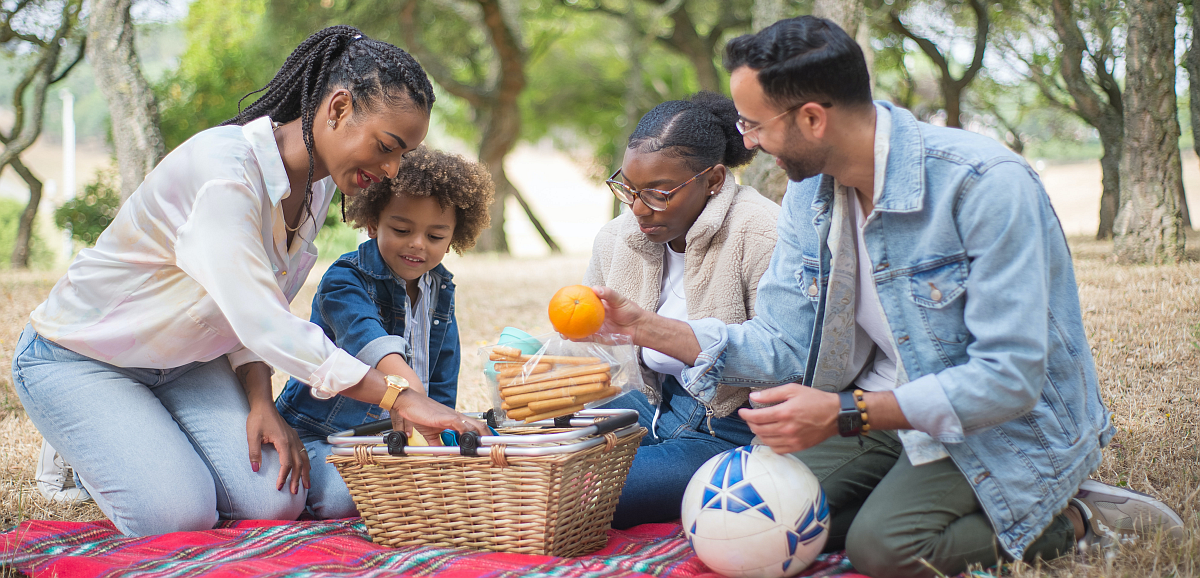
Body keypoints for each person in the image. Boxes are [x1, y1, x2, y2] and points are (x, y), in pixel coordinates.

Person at [589, 16, 1184, 578]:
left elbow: (1010, 377)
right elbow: (783, 345)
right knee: (742, 522)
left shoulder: (985, 185)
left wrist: (847, 413)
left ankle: (1076, 517)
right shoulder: (810, 196)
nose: (746, 140)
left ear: (813, 119)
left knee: (885, 547)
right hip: (875, 414)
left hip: (992, 423)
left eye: (754, 124)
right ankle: (912, 490)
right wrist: (643, 326)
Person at [10, 26, 488, 537]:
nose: (393, 170)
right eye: (387, 147)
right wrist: (397, 396)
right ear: (339, 107)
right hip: (84, 355)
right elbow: (265, 322)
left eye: (402, 155)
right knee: (178, 517)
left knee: (275, 501)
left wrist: (260, 400)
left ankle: (145, 443)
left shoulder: (318, 185)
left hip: (185, 363)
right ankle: (88, 447)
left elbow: (254, 305)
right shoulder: (225, 175)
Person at [585, 91, 779, 528]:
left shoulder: (760, 232)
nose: (637, 209)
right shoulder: (618, 239)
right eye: (629, 190)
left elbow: (786, 358)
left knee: (586, 489)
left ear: (712, 180)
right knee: (524, 449)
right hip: (653, 405)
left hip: (733, 430)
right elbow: (598, 350)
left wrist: (647, 329)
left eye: (658, 193)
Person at [275, 146, 494, 519]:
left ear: (455, 235)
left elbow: (442, 372)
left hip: (389, 438)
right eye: (401, 229)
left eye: (436, 235)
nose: (418, 244)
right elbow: (370, 344)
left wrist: (442, 432)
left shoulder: (441, 290)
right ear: (374, 220)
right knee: (347, 499)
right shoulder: (344, 280)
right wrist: (415, 398)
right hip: (321, 434)